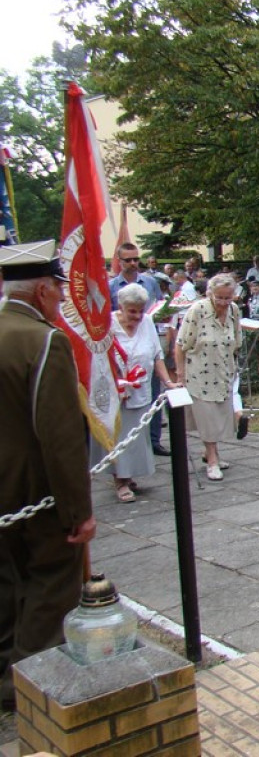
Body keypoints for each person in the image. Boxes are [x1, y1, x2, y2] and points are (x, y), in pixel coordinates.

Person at [0, 240, 96, 711]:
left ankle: (4, 667)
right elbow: (59, 438)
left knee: (6, 582)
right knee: (48, 585)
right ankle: (25, 684)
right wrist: (78, 512)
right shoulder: (44, 340)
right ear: (41, 291)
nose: (62, 299)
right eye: (59, 291)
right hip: (34, 495)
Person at [97, 284, 180, 502]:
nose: (136, 316)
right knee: (118, 435)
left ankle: (129, 473)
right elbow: (98, 358)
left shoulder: (147, 323)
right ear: (121, 307)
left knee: (134, 435)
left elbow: (157, 355)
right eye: (131, 311)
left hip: (141, 387)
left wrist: (168, 383)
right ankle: (120, 480)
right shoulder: (107, 324)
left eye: (140, 311)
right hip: (115, 390)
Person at [175, 272, 241, 481]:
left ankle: (211, 452)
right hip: (200, 373)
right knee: (207, 417)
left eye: (227, 297)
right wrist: (180, 374)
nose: (223, 302)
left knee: (220, 416)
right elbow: (180, 344)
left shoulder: (234, 311)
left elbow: (236, 341)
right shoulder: (198, 310)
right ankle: (212, 460)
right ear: (210, 294)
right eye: (219, 297)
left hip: (223, 371)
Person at [107, 242, 167, 456]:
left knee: (152, 393)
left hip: (146, 340)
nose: (133, 263)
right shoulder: (112, 286)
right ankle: (125, 451)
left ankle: (153, 440)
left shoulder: (150, 282)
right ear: (119, 261)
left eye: (136, 259)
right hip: (122, 347)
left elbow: (159, 307)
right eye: (128, 260)